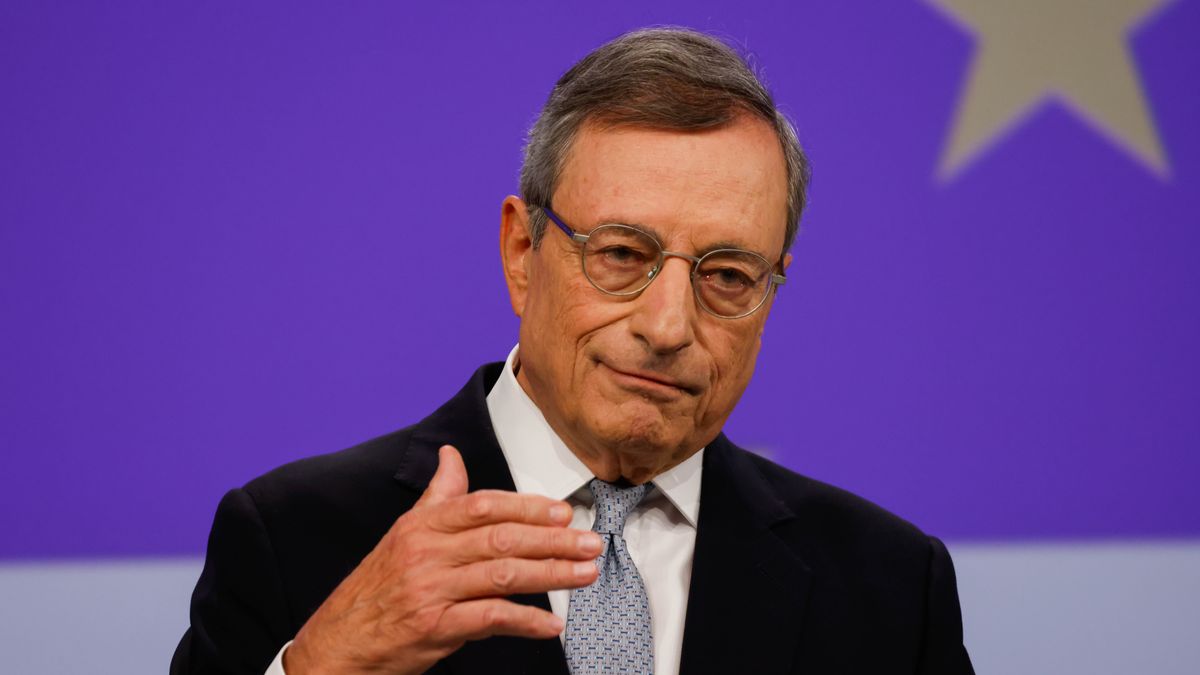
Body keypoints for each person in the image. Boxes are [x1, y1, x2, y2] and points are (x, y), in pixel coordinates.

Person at [172, 27, 974, 675]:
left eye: (727, 274)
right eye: (622, 255)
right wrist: (322, 668)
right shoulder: (299, 541)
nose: (667, 326)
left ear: (772, 288)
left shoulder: (891, 588)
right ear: (523, 251)